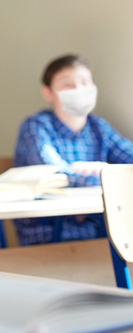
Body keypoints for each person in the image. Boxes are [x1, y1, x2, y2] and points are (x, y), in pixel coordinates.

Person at [13, 54, 133, 245]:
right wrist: (105, 174)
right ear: (49, 93)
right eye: (67, 84)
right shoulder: (36, 126)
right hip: (49, 233)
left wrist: (104, 170)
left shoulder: (99, 128)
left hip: (99, 231)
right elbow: (54, 173)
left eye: (85, 82)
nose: (79, 89)